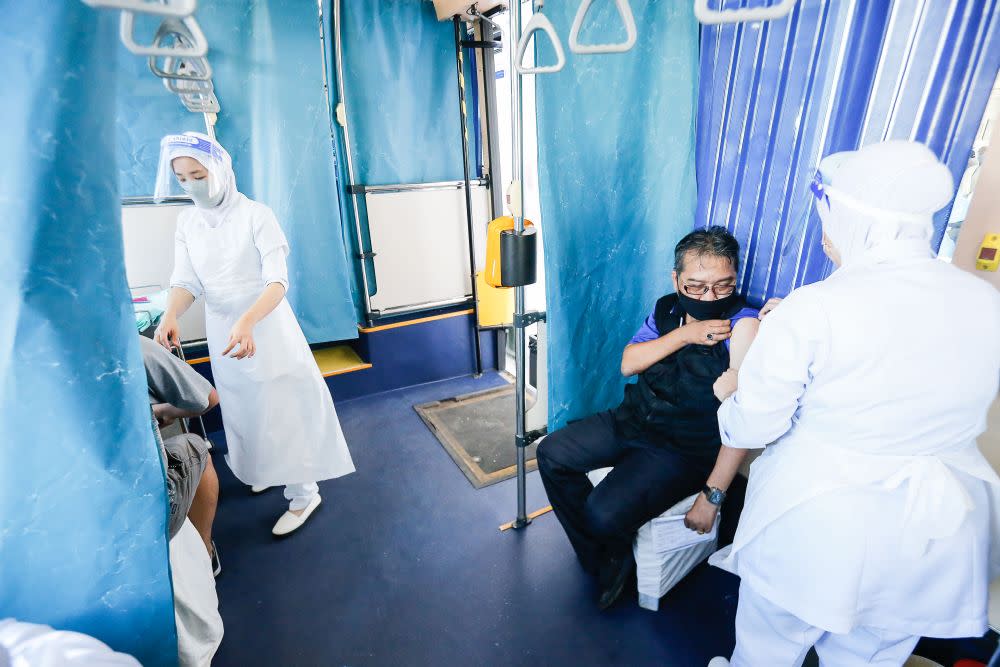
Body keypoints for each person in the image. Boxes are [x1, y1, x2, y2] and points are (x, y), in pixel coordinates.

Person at [707, 141, 1000, 667]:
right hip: (931, 527)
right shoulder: (987, 301)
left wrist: (732, 387)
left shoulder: (816, 307)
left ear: (849, 220)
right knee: (869, 657)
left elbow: (754, 423)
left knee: (770, 645)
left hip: (820, 518)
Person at [536, 226, 762, 610]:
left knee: (602, 514)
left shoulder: (743, 326)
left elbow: (744, 422)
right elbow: (628, 364)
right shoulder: (667, 309)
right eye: (696, 286)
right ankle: (607, 556)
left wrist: (712, 496)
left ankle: (608, 546)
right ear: (676, 280)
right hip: (632, 420)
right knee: (552, 454)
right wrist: (685, 335)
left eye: (723, 286)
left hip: (682, 449)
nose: (710, 297)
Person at [152, 132, 355, 536]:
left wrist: (247, 321)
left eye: (198, 174)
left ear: (222, 171)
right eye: (183, 178)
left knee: (281, 407)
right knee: (244, 407)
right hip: (224, 330)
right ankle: (265, 467)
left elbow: (277, 281)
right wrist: (171, 313)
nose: (192, 184)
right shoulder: (188, 221)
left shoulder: (256, 215)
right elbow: (186, 281)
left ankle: (303, 493)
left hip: (265, 324)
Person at [141, 335, 220, 571]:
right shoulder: (134, 347)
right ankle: (205, 554)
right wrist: (161, 413)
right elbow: (208, 400)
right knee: (195, 448)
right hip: (146, 507)